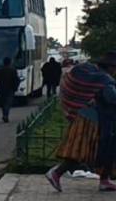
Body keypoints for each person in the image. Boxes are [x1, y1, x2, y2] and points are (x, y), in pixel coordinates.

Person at [48, 53, 116, 192]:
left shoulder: (92, 75)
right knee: (86, 151)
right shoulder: (105, 79)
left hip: (86, 118)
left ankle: (104, 179)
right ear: (110, 67)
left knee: (88, 151)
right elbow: (110, 98)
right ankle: (56, 173)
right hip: (95, 122)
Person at [0, 58, 21, 123]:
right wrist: (16, 87)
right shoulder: (13, 70)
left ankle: (4, 114)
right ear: (10, 62)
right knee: (8, 103)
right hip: (10, 89)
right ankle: (5, 115)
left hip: (1, 89)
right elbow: (16, 80)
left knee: (3, 102)